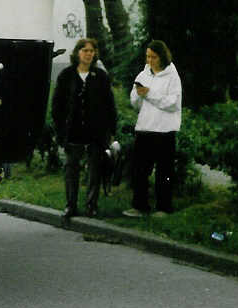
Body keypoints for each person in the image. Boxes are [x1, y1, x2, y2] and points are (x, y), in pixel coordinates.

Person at [51, 38, 117, 220]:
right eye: (85, 50)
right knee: (71, 169)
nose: (88, 54)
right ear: (77, 53)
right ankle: (70, 205)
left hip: (95, 133)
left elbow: (109, 105)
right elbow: (57, 106)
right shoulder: (66, 76)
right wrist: (60, 131)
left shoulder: (101, 77)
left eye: (91, 51)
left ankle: (91, 206)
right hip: (73, 132)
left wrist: (111, 130)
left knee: (94, 171)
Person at [124, 40, 182, 218]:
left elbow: (172, 103)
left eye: (154, 57)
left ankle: (164, 208)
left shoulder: (172, 76)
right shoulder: (144, 73)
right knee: (139, 170)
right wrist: (138, 94)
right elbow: (135, 102)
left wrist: (149, 94)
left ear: (162, 57)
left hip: (164, 130)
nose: (150, 60)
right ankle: (140, 206)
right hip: (145, 128)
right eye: (148, 56)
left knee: (164, 171)